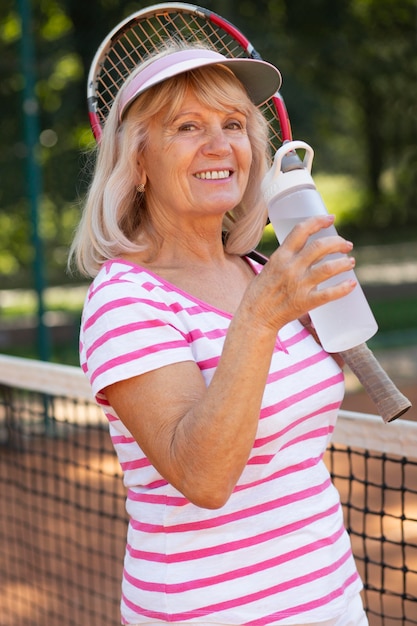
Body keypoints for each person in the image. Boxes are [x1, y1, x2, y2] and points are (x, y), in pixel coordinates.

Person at [69, 40, 368, 626]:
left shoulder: (258, 271)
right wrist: (260, 317)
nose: (219, 145)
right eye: (187, 126)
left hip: (331, 595)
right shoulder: (124, 299)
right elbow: (203, 478)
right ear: (137, 163)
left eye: (234, 124)